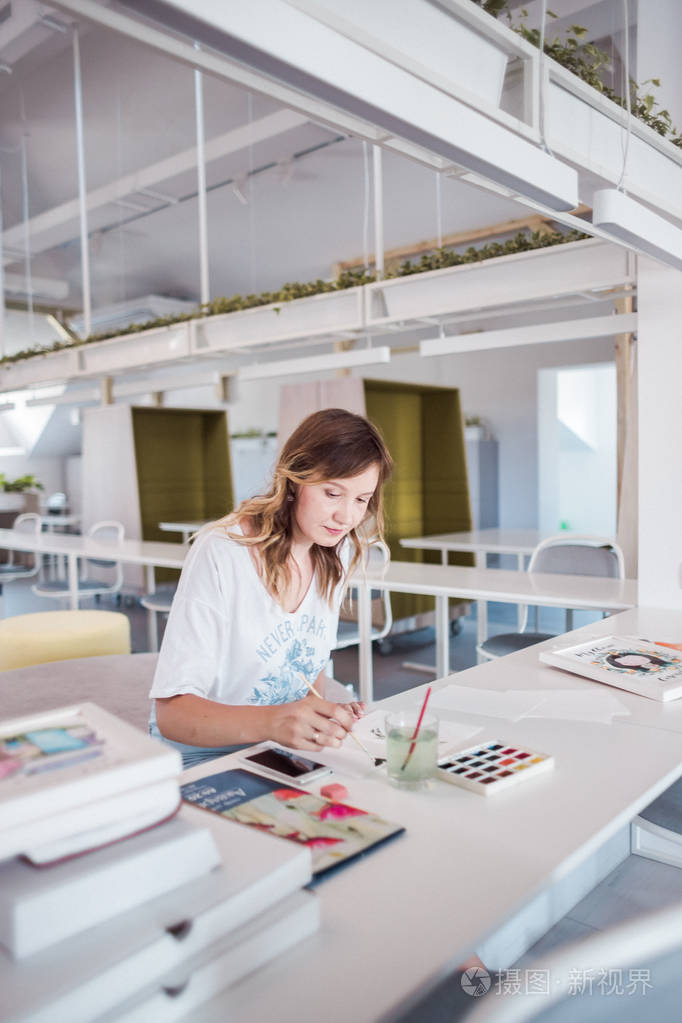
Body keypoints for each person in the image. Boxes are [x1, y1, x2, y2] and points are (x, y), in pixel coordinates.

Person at [149, 408, 394, 767]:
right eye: (332, 493)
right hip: (202, 757)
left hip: (277, 751)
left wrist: (319, 719)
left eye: (361, 500)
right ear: (294, 478)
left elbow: (310, 668)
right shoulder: (223, 550)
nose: (347, 517)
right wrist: (275, 723)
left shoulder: (333, 549)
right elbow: (173, 716)